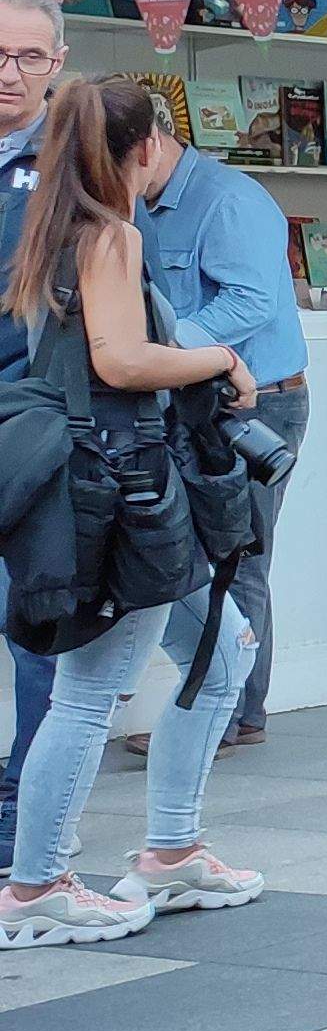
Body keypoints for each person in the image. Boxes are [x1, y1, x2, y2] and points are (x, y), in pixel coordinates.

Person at [0, 76, 264, 945]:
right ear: (145, 147)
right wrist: (218, 355)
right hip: (125, 492)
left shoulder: (51, 226)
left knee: (220, 652)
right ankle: (37, 887)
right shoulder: (108, 233)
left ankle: (173, 850)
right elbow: (118, 362)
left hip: (105, 486)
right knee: (89, 694)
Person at [132, 102, 308, 752]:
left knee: (238, 562)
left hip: (255, 408)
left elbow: (253, 300)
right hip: (193, 400)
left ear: (149, 143)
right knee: (193, 561)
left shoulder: (231, 200)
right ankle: (214, 708)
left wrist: (158, 349)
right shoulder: (141, 204)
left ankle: (233, 715)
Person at [0, 0, 68, 824]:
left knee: (38, 633)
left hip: (32, 428)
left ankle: (28, 818)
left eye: (27, 58)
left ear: (56, 64)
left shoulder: (74, 159)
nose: (9, 73)